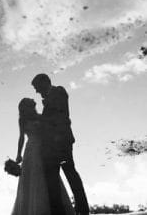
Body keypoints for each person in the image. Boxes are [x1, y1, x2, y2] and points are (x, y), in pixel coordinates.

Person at [31, 73, 89, 215]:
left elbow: (58, 117)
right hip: (50, 148)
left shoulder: (59, 91)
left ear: (45, 82)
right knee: (52, 179)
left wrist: (40, 120)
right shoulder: (49, 99)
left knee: (70, 173)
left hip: (61, 143)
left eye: (37, 87)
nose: (37, 91)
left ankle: (82, 210)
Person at [12, 98, 74, 215]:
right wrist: (18, 154)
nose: (30, 109)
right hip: (30, 150)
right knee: (30, 179)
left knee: (44, 178)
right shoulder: (22, 120)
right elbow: (21, 137)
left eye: (31, 107)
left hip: (42, 150)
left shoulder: (41, 117)